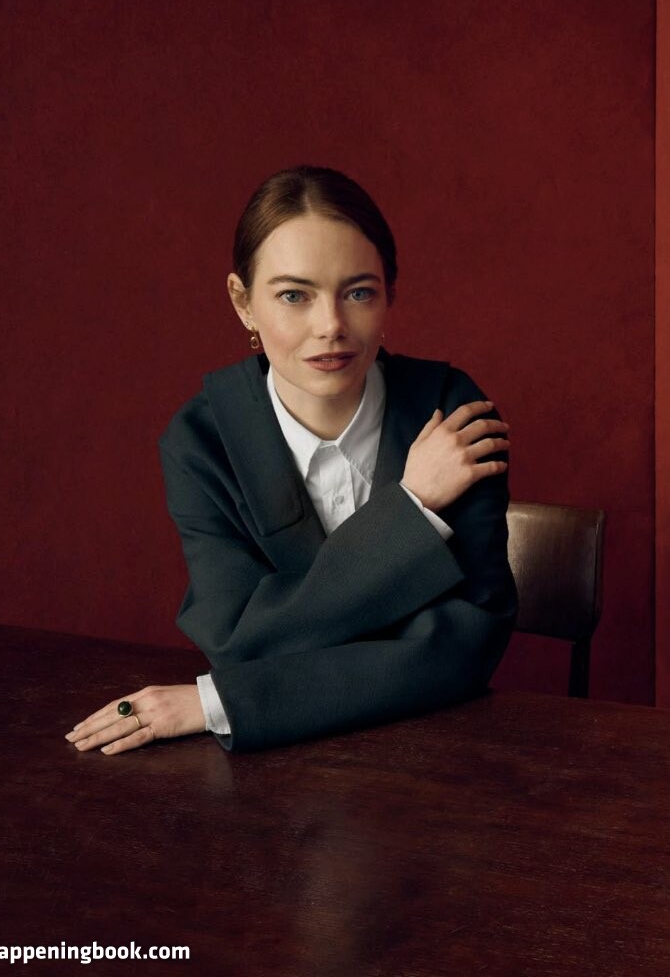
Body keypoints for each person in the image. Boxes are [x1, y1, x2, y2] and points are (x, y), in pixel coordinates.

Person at [65, 165, 517, 756]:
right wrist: (413, 508)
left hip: (438, 754)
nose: (331, 326)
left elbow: (462, 649)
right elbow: (242, 641)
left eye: (359, 292)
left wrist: (219, 702)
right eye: (293, 295)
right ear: (243, 302)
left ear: (390, 295)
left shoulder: (450, 412)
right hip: (274, 776)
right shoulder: (200, 441)